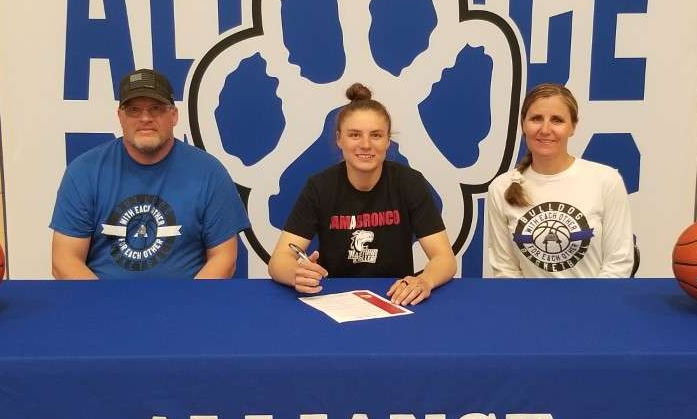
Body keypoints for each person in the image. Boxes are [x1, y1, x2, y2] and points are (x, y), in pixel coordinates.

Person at [50, 67, 249, 279]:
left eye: (156, 108)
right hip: (102, 305)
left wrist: (185, 307)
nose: (145, 118)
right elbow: (64, 261)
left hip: (187, 304)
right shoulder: (84, 172)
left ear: (173, 115)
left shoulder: (210, 173)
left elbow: (224, 259)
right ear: (120, 117)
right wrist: (107, 307)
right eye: (134, 109)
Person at [268, 83, 456, 305]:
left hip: (394, 298)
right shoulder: (320, 187)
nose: (365, 145)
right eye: (355, 135)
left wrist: (424, 281)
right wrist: (296, 274)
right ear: (339, 139)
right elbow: (278, 261)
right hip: (334, 299)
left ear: (388, 141)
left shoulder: (409, 182)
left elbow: (445, 259)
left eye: (376, 135)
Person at [485, 83, 634, 278]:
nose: (545, 129)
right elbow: (505, 270)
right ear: (523, 124)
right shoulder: (501, 188)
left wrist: (591, 306)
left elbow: (619, 263)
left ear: (573, 127)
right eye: (536, 119)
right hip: (529, 307)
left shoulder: (606, 180)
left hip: (594, 305)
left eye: (557, 120)